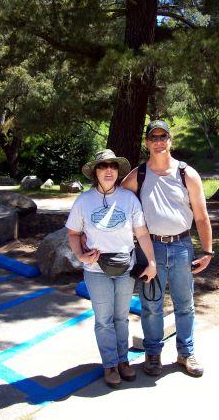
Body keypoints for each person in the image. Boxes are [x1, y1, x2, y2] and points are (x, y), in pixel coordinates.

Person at [122, 119, 214, 377]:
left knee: (185, 303)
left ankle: (186, 353)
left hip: (182, 246)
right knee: (151, 304)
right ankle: (153, 353)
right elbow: (118, 204)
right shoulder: (137, 176)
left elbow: (202, 216)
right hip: (150, 249)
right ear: (147, 143)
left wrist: (208, 251)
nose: (159, 142)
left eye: (163, 137)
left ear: (170, 141)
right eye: (154, 138)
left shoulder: (187, 174)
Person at [66, 149, 156, 388]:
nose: (108, 170)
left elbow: (142, 233)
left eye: (113, 166)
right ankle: (109, 365)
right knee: (104, 320)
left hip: (125, 268)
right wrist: (80, 256)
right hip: (96, 270)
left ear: (118, 171)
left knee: (121, 318)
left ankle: (123, 361)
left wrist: (152, 262)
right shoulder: (84, 201)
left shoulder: (129, 199)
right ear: (95, 172)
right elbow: (74, 233)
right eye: (103, 166)